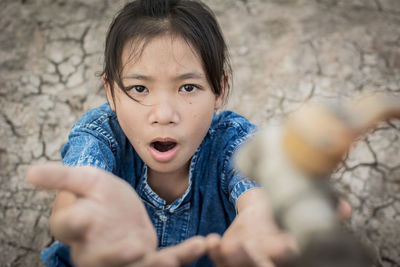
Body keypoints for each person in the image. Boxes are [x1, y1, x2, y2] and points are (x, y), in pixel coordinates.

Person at [26, 0, 350, 266]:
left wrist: (261, 217)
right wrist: (85, 221)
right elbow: (73, 199)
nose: (164, 114)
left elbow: (256, 189)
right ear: (110, 92)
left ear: (219, 91)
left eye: (188, 87)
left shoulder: (230, 141)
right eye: (140, 88)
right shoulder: (101, 135)